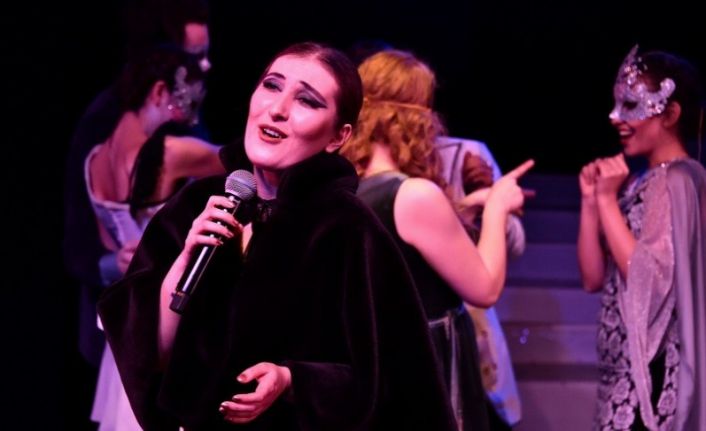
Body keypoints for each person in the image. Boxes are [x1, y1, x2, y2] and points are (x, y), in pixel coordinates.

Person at [97, 42, 459, 431]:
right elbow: (152, 362)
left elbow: (393, 384)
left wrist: (292, 380)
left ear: (338, 137)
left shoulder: (349, 229)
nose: (278, 109)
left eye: (307, 101)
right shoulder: (195, 206)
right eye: (272, 85)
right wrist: (184, 262)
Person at [340, 49, 533, 431]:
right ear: (415, 117)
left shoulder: (351, 189)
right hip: (423, 368)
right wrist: (497, 206)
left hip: (380, 367)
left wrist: (464, 208)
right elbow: (485, 288)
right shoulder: (414, 194)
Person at [63, 0, 212, 379]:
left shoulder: (108, 148)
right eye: (195, 57)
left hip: (134, 316)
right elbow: (80, 236)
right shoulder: (159, 142)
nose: (206, 66)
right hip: (139, 321)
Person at [85, 44, 224, 430]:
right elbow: (248, 163)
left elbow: (114, 250)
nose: (193, 113)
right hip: (159, 315)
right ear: (160, 91)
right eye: (189, 97)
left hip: (123, 324)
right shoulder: (171, 152)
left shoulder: (95, 159)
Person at [577, 45, 706, 430]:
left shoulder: (680, 179)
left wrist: (607, 200)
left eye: (631, 104)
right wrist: (591, 202)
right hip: (621, 371)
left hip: (652, 372)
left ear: (670, 113)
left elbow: (647, 280)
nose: (615, 117)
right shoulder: (642, 181)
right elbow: (593, 278)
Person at [436, 138, 525, 430]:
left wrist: (488, 204)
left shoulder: (465, 153)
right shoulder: (372, 163)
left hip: (466, 331)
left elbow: (515, 243)